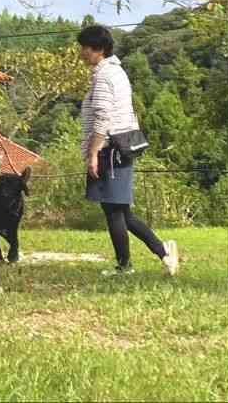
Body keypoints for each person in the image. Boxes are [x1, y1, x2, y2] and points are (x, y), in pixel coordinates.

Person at [78, 24, 179, 276]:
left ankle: (126, 265)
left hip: (110, 149)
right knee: (120, 210)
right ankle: (162, 252)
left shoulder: (103, 76)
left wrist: (93, 154)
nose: (82, 53)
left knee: (114, 210)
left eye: (85, 48)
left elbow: (103, 117)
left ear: (98, 49)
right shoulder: (118, 72)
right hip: (123, 147)